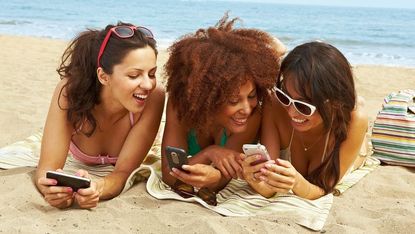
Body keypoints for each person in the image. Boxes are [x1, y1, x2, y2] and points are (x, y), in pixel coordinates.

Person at [35, 22, 165, 209]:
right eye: (134, 75)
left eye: (152, 74)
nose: (147, 85)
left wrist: (96, 188)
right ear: (104, 76)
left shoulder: (154, 96)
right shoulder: (69, 92)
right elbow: (47, 168)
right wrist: (50, 188)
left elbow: (123, 173)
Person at [161, 14, 285, 196]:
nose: (246, 108)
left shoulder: (253, 115)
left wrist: (215, 176)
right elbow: (169, 175)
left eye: (251, 96)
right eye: (234, 100)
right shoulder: (179, 106)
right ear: (205, 98)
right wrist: (209, 153)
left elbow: (223, 178)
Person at [241, 41, 368, 200]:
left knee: (358, 109)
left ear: (334, 104)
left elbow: (322, 189)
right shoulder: (275, 105)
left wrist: (297, 183)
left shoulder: (354, 121)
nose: (291, 111)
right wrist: (254, 180)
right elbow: (268, 185)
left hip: (354, 146)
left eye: (303, 106)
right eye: (285, 96)